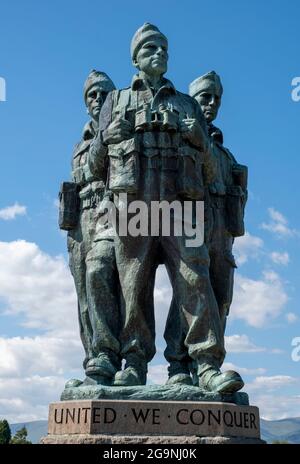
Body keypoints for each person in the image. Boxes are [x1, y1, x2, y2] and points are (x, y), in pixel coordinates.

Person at [89, 24, 243, 393]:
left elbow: (209, 171)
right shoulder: (117, 101)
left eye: (163, 48)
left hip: (182, 207)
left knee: (196, 280)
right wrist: (106, 137)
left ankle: (202, 365)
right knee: (133, 285)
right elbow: (95, 166)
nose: (159, 53)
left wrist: (199, 140)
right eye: (150, 48)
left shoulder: (187, 105)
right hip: (132, 207)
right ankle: (134, 362)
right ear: (135, 58)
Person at [164, 71, 247, 385]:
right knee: (190, 291)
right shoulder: (179, 140)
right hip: (189, 220)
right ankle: (179, 365)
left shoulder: (226, 153)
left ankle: (206, 370)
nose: (211, 103)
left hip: (221, 233)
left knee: (221, 298)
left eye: (216, 98)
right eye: (204, 97)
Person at [61, 70, 121, 385]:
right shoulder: (79, 143)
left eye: (102, 93)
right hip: (81, 221)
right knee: (84, 295)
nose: (97, 99)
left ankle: (112, 356)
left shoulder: (123, 131)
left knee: (105, 278)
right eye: (91, 96)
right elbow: (82, 175)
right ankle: (93, 365)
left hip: (112, 213)